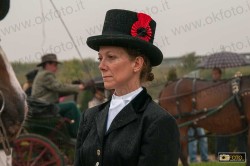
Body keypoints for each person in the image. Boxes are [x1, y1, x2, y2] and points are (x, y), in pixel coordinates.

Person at [74, 9, 180, 166]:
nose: (101, 66)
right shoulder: (89, 117)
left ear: (137, 63)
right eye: (100, 58)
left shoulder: (158, 122)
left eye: (111, 57)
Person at [32, 53, 85, 138]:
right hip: (45, 108)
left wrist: (73, 89)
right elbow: (59, 87)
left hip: (42, 107)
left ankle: (71, 132)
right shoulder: (46, 75)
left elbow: (56, 91)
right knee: (71, 106)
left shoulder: (41, 74)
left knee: (69, 107)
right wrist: (79, 87)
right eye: (55, 65)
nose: (56, 67)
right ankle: (79, 133)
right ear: (47, 64)